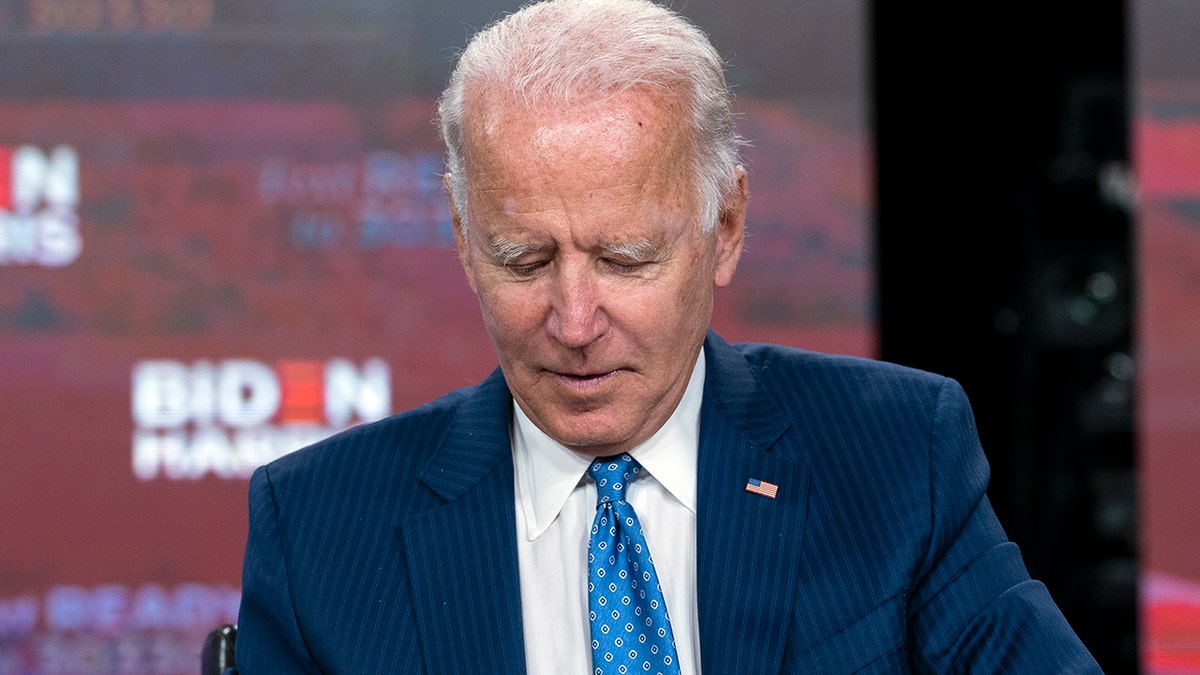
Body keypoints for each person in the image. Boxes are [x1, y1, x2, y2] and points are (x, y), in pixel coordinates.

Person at [232, 0, 1101, 672]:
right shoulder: (315, 530)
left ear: (724, 227)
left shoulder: (897, 453)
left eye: (624, 258)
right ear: (463, 238)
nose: (573, 322)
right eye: (524, 260)